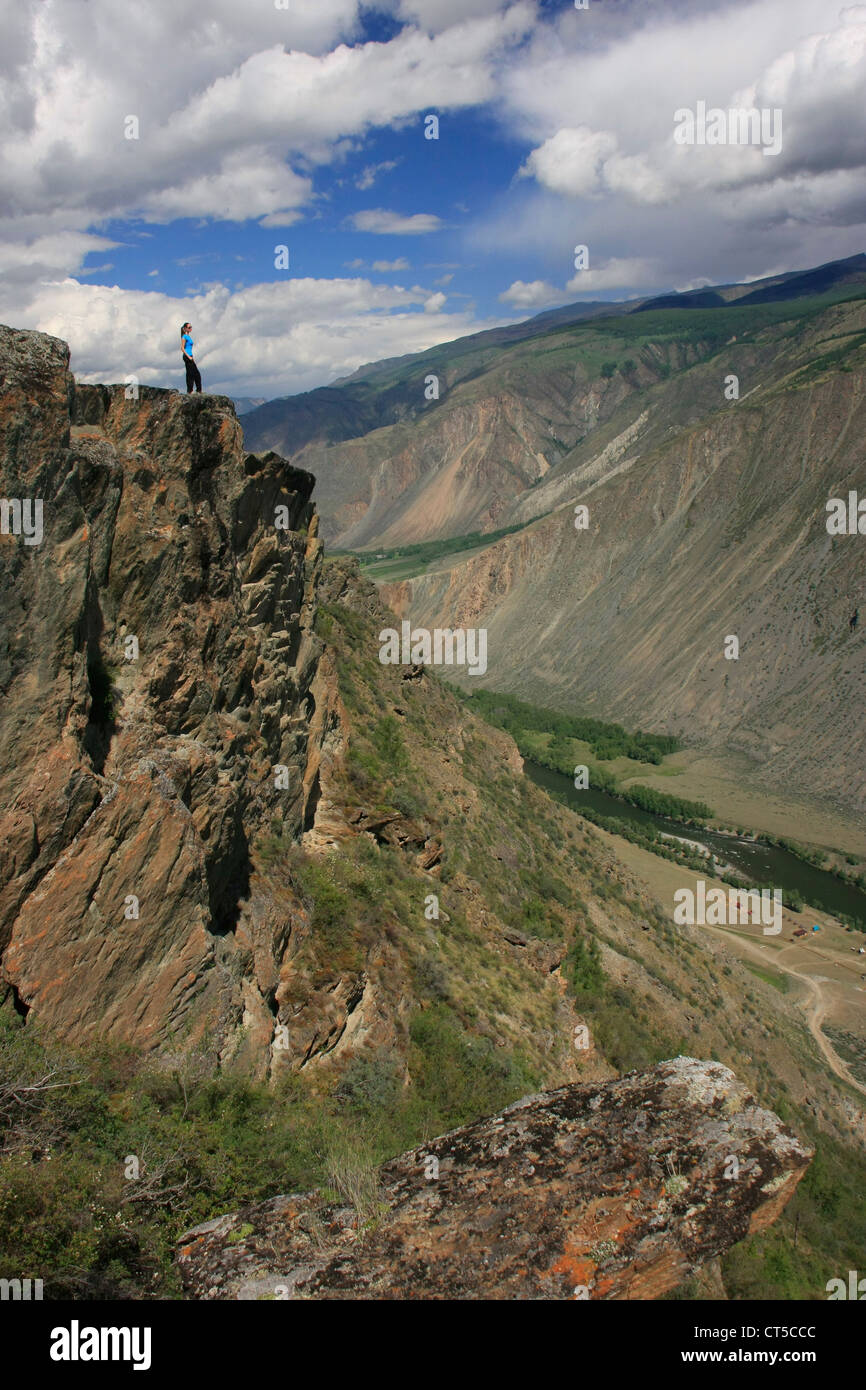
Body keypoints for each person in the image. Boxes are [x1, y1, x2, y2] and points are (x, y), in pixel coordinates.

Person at [181, 322, 202, 393]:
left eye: (191, 327)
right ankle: (190, 391)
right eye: (189, 327)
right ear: (185, 328)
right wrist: (189, 357)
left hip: (190, 356)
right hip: (187, 356)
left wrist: (191, 357)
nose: (191, 328)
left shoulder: (188, 336)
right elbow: (182, 348)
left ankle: (198, 390)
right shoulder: (184, 337)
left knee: (196, 373)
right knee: (190, 374)